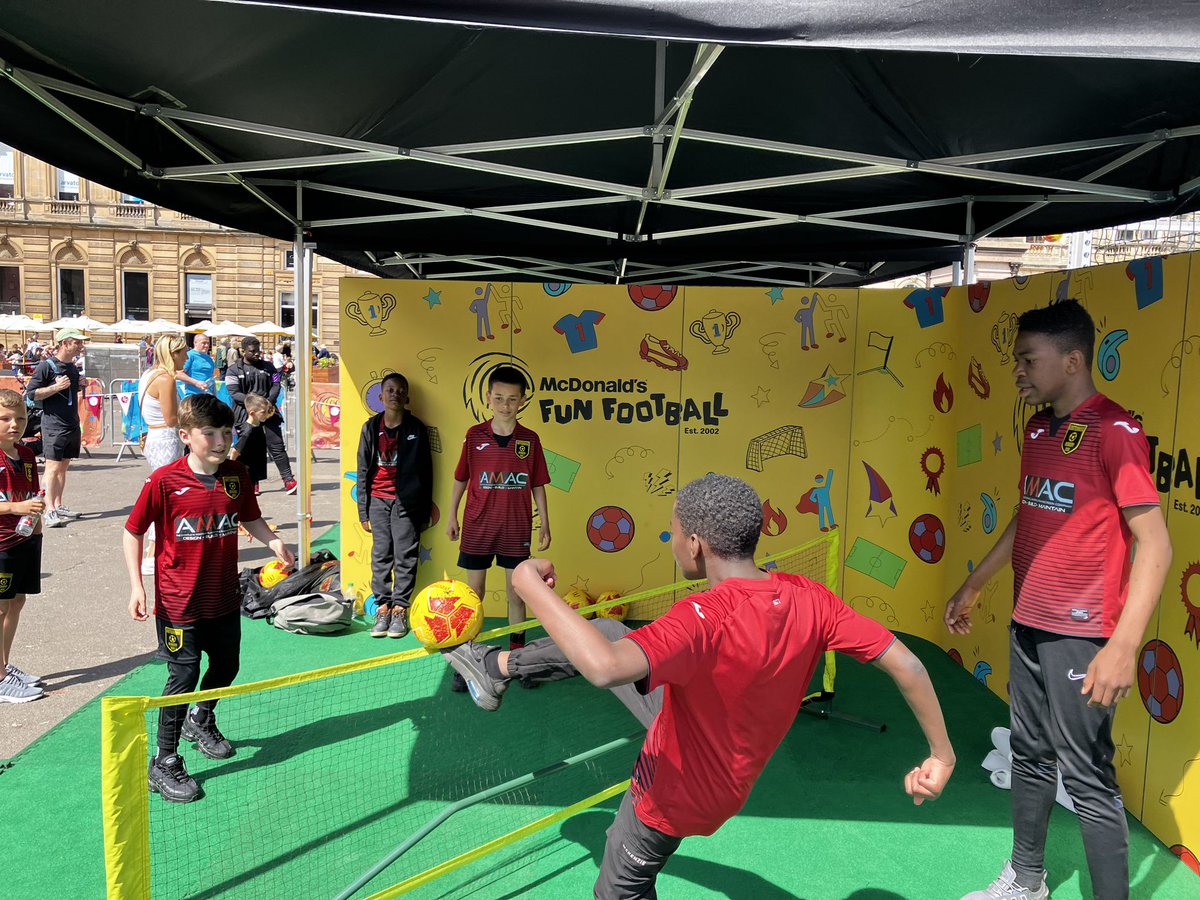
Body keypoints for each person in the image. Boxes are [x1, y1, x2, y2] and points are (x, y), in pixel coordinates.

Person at [444, 473, 956, 897]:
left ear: (696, 544)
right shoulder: (810, 596)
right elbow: (909, 665)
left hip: (678, 787)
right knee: (607, 631)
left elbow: (604, 668)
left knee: (620, 887)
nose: (671, 543)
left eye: (672, 534)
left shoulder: (700, 617)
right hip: (714, 748)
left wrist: (527, 584)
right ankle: (495, 670)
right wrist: (942, 755)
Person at [945, 300, 1171, 900]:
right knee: (1030, 752)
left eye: (1027, 359)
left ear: (1072, 361)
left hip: (1085, 633)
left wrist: (1123, 645)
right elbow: (1030, 515)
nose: (1017, 370)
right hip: (1027, 621)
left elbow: (1155, 544)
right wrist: (976, 583)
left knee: (1089, 777)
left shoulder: (1116, 431)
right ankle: (1026, 881)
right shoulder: (1038, 428)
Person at [124, 393, 294, 803]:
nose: (220, 440)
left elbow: (248, 515)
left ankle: (201, 718)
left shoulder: (237, 474)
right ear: (185, 436)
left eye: (226, 431)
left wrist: (273, 542)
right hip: (178, 600)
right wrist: (136, 584)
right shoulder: (163, 481)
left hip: (222, 595)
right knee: (182, 677)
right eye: (209, 433)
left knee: (226, 665)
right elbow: (132, 531)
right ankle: (164, 761)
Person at [447, 365, 550, 660]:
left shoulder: (530, 440)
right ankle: (471, 656)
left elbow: (538, 484)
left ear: (522, 401)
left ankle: (518, 656)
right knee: (473, 594)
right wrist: (452, 514)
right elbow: (461, 478)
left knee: (517, 594)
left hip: (516, 527)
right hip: (478, 526)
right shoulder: (474, 435)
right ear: (489, 397)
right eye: (500, 398)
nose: (506, 405)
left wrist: (544, 522)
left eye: (512, 399)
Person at [356, 373, 433, 639]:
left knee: (405, 556)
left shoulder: (416, 428)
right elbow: (363, 468)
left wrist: (422, 510)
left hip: (407, 504)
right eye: (390, 390)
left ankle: (399, 609)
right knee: (380, 556)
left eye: (401, 391)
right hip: (378, 501)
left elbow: (427, 472)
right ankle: (383, 607)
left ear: (407, 397)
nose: (395, 394)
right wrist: (363, 509)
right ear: (381, 397)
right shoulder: (369, 428)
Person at [0, 390, 46, 703]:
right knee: (0, 606)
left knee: (17, 602)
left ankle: (3, 663)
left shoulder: (27, 455)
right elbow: (14, 504)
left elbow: (31, 495)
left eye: (20, 418)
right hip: (2, 542)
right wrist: (14, 509)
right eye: (4, 419)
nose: (14, 424)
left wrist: (36, 514)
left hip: (26, 538)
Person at [23, 327, 86, 527]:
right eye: (77, 342)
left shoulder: (72, 367)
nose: (81, 346)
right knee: (51, 468)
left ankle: (58, 504)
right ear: (66, 343)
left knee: (63, 467)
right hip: (53, 425)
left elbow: (70, 391)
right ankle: (49, 509)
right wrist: (55, 387)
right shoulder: (46, 366)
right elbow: (31, 394)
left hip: (71, 423)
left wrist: (79, 384)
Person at [137, 335, 189, 575]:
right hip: (165, 438)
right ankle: (152, 552)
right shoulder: (165, 379)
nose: (186, 357)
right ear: (173, 354)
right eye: (183, 353)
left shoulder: (149, 375)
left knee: (163, 494)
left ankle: (156, 548)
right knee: (167, 496)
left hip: (154, 436)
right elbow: (171, 419)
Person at [224, 336, 296, 495]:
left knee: (277, 446)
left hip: (269, 411)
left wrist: (268, 402)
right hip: (246, 413)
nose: (257, 354)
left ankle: (288, 479)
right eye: (253, 351)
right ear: (244, 351)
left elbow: (276, 384)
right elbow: (234, 392)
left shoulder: (269, 367)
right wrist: (253, 405)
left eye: (259, 350)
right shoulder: (233, 370)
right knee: (250, 450)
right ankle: (253, 482)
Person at [228, 393, 272, 492]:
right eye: (263, 412)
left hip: (253, 469)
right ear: (252, 413)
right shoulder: (248, 431)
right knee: (246, 495)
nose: (266, 414)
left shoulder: (258, 425)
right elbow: (235, 451)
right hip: (245, 471)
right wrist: (230, 467)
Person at [179, 333, 215, 397]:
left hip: (208, 396)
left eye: (208, 343)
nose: (206, 345)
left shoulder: (209, 358)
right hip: (193, 395)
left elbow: (211, 376)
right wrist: (196, 383)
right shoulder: (189, 355)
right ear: (195, 343)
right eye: (203, 343)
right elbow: (179, 374)